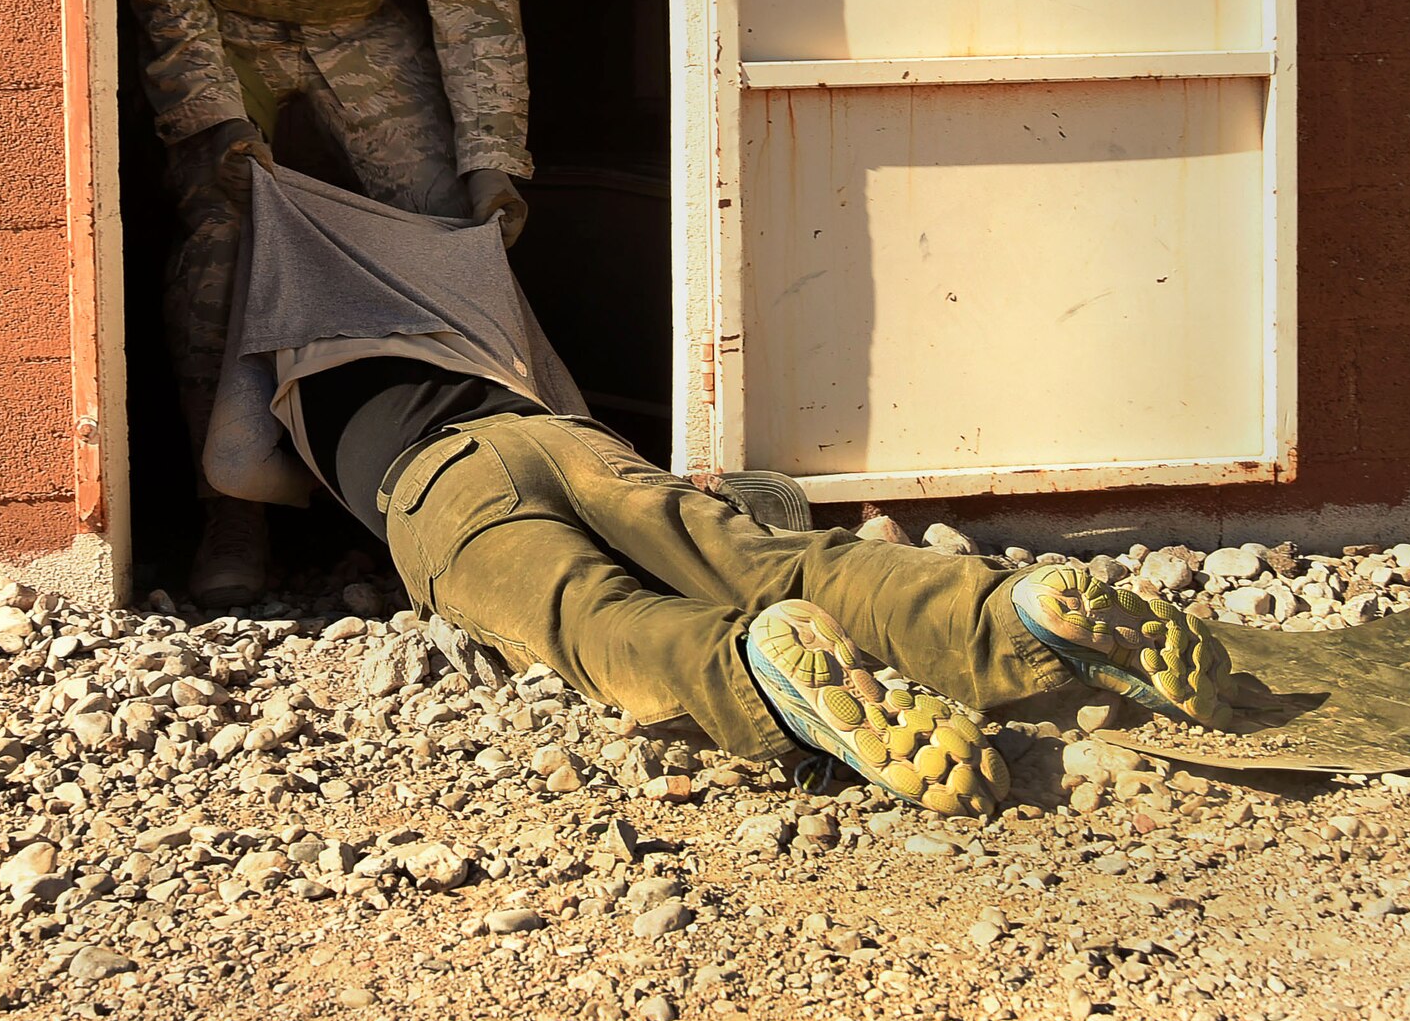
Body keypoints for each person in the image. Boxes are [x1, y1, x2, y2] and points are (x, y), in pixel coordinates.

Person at [202, 166, 1239, 822]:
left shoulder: (295, 320)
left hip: (438, 484)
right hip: (562, 435)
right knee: (775, 557)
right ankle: (1006, 615)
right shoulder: (458, 298)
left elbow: (235, 467)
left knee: (593, 620)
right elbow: (556, 383)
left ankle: (750, 667)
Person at [131, 0, 531, 609]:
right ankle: (235, 507)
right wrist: (216, 120)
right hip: (235, 31)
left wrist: (492, 161)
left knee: (441, 239)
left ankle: (443, 502)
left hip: (361, 27)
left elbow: (477, 6)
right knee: (222, 251)